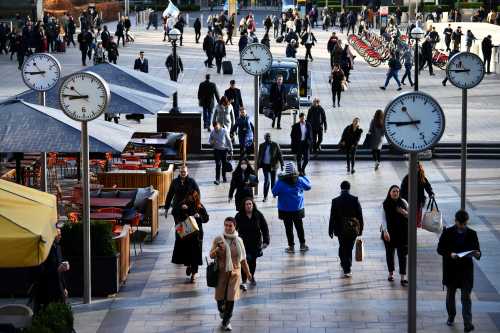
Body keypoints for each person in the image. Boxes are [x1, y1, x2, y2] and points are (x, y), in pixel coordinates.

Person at [437, 210, 481, 333]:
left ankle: (468, 323)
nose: (462, 226)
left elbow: (477, 251)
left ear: (467, 222)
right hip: (451, 269)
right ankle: (451, 316)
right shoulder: (447, 232)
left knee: (466, 297)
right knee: (450, 295)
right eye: (460, 224)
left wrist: (477, 254)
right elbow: (440, 249)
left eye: (464, 224)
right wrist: (450, 254)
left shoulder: (472, 233)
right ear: (455, 221)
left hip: (466, 271)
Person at [210, 217, 251, 331]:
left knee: (231, 298)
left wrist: (248, 273)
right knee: (220, 300)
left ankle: (226, 321)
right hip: (221, 273)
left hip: (235, 273)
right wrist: (217, 249)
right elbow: (211, 255)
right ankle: (222, 311)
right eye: (226, 225)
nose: (228, 228)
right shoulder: (219, 239)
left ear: (234, 226)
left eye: (230, 225)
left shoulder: (239, 241)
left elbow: (243, 259)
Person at [272, 161, 311, 253]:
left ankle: (291, 246)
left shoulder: (281, 182)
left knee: (288, 228)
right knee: (299, 227)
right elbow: (309, 186)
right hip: (297, 208)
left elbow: (274, 192)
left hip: (285, 209)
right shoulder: (299, 180)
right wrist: (303, 176)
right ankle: (302, 244)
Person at [171, 191, 209, 283]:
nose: (191, 199)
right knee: (187, 252)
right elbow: (174, 212)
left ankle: (194, 274)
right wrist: (181, 208)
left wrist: (199, 216)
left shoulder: (199, 206)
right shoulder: (182, 204)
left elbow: (206, 218)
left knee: (196, 254)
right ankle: (188, 266)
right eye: (189, 197)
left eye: (193, 198)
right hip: (186, 233)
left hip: (197, 234)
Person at [329, 180, 364, 277]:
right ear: (349, 188)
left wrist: (330, 230)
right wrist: (361, 229)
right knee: (349, 248)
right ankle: (347, 268)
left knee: (343, 246)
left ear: (341, 188)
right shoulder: (355, 199)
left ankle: (344, 262)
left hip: (340, 229)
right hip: (352, 229)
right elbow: (360, 216)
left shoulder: (335, 201)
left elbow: (332, 217)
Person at [31, 227, 69, 314]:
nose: (60, 237)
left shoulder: (58, 248)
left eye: (60, 234)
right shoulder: (46, 249)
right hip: (47, 287)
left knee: (61, 308)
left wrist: (64, 287)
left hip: (58, 285)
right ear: (53, 236)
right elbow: (41, 269)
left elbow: (60, 269)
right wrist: (57, 269)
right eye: (58, 235)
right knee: (47, 310)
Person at [235, 198, 270, 291]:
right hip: (243, 244)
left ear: (253, 205)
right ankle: (244, 280)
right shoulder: (239, 216)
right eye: (247, 204)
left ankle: (251, 275)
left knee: (253, 262)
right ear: (244, 206)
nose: (249, 206)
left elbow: (265, 228)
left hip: (255, 243)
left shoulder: (258, 215)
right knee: (244, 261)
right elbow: (233, 229)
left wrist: (266, 241)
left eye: (250, 204)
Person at [381, 185, 408, 285]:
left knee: (402, 255)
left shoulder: (403, 202)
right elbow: (383, 219)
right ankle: (391, 273)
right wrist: (385, 231)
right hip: (390, 233)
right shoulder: (385, 204)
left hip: (402, 233)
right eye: (393, 191)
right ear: (389, 192)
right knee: (390, 254)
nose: (395, 193)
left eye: (397, 191)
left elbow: (411, 215)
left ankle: (403, 276)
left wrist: (404, 212)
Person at [400, 162, 434, 228]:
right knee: (410, 216)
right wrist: (403, 199)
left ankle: (414, 229)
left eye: (418, 167)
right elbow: (402, 189)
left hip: (419, 200)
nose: (416, 169)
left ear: (419, 168)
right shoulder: (407, 177)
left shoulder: (421, 177)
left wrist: (431, 193)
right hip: (409, 201)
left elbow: (427, 186)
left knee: (417, 217)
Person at [257, 133, 284, 202]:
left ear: (271, 137)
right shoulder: (262, 145)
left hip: (273, 166)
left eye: (269, 137)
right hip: (265, 166)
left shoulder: (275, 144)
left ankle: (274, 193)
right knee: (266, 181)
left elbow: (279, 155)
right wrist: (258, 165)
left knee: (273, 181)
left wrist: (282, 164)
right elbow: (259, 156)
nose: (268, 138)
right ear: (264, 138)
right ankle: (265, 196)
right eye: (266, 137)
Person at [209, 120, 233, 185]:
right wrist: (212, 142)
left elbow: (229, 140)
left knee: (224, 164)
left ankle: (224, 177)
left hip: (224, 150)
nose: (216, 129)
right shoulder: (212, 132)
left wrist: (231, 150)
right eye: (215, 128)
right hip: (216, 150)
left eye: (217, 127)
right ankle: (217, 179)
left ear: (219, 125)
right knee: (218, 164)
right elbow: (210, 140)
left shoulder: (224, 131)